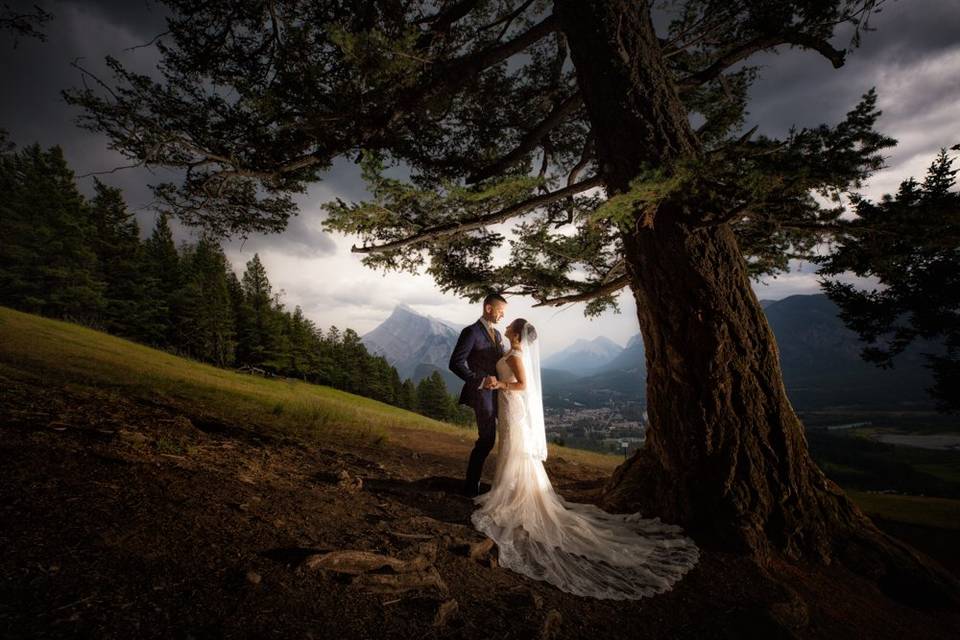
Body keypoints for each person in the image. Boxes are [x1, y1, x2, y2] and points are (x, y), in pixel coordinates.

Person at [470, 318, 701, 600]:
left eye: (510, 327)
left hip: (513, 407)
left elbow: (522, 385)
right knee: (509, 449)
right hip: (507, 410)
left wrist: (499, 387)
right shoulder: (510, 352)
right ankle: (509, 491)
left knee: (516, 451)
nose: (505, 328)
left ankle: (515, 495)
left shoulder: (517, 356)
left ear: (516, 333)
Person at [449, 293, 507, 497]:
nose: (502, 316)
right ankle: (471, 487)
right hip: (481, 395)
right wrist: (480, 381)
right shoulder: (471, 332)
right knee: (487, 440)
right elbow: (456, 362)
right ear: (489, 309)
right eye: (500, 312)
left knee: (509, 437)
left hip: (499, 394)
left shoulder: (498, 335)